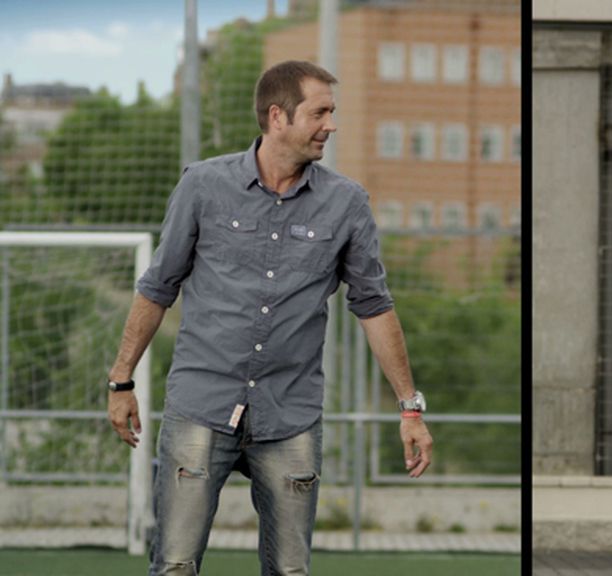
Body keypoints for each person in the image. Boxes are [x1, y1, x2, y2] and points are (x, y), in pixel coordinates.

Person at [106, 60, 433, 575]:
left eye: (333, 111)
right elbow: (157, 288)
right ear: (277, 116)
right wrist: (120, 380)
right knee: (173, 564)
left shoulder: (347, 204)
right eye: (320, 112)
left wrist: (409, 408)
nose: (332, 124)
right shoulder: (202, 186)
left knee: (290, 570)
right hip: (200, 406)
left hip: (290, 416)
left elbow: (374, 305)